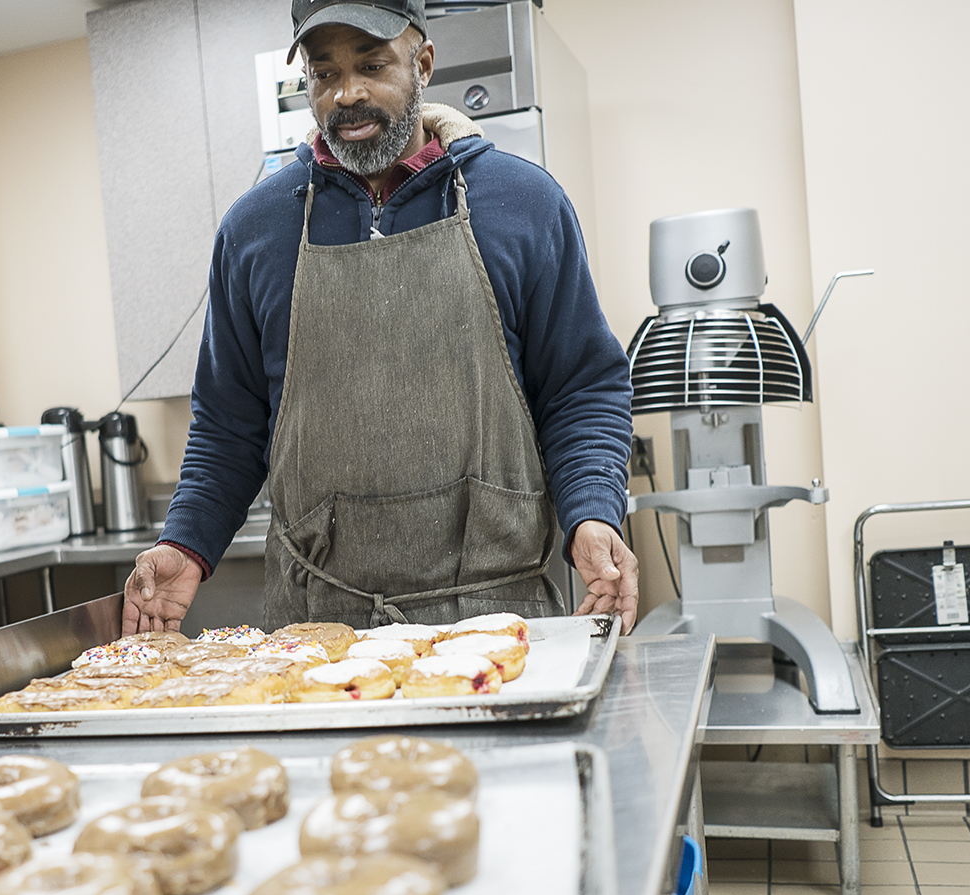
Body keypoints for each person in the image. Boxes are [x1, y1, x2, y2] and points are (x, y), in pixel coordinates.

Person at [122, 0, 637, 637]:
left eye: (372, 64)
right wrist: (187, 544)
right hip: (316, 638)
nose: (347, 94)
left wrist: (592, 513)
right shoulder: (253, 231)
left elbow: (582, 388)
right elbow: (230, 424)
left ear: (422, 63)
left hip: (499, 626)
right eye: (323, 73)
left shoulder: (525, 203)